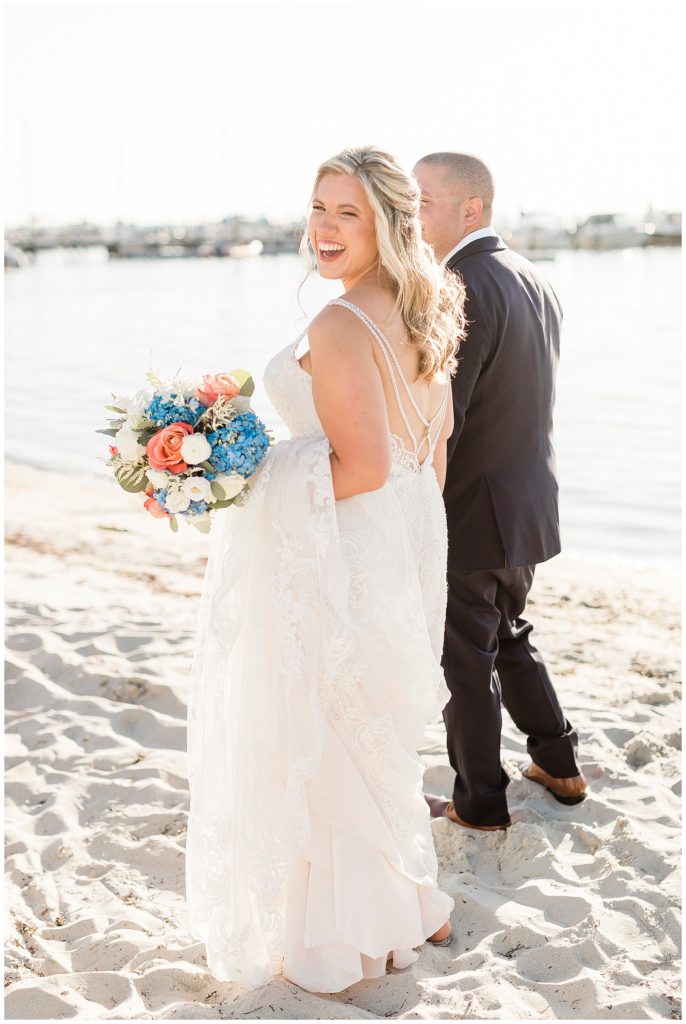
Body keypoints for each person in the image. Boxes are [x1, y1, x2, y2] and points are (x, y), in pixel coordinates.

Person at [185, 146, 467, 993]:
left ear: (390, 223)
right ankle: (412, 903)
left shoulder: (342, 324)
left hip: (351, 543)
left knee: (337, 726)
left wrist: (251, 481)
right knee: (369, 728)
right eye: (318, 208)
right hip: (403, 540)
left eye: (349, 213)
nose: (326, 229)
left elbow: (364, 466)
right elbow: (433, 455)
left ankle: (351, 936)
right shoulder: (424, 307)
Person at [413, 151, 587, 831]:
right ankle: (560, 761)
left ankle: (480, 802)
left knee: (466, 658)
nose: (413, 216)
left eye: (424, 201)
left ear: (470, 208)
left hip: (472, 509)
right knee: (509, 636)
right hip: (527, 504)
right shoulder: (531, 276)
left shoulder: (458, 281)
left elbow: (441, 416)